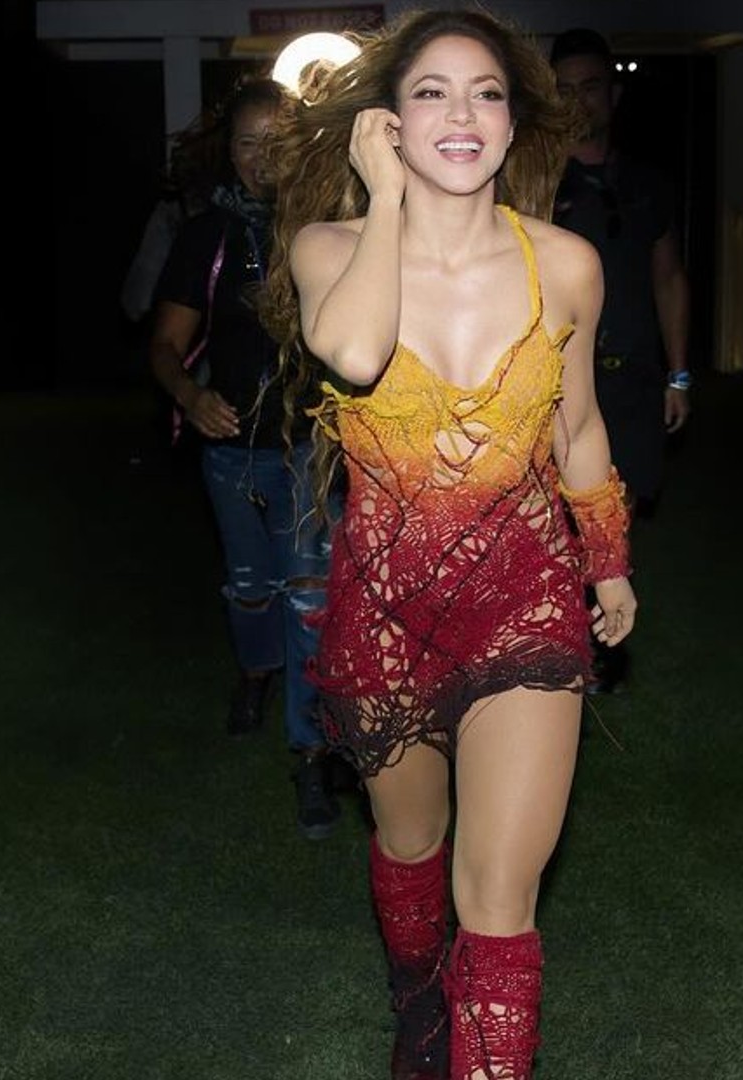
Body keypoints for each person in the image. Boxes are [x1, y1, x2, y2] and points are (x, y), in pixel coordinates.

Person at [259, 9, 637, 1077]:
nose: (462, 113)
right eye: (431, 92)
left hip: (526, 599)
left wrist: (608, 557)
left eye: (486, 93)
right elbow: (352, 350)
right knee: (411, 844)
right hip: (386, 610)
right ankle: (418, 997)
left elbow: (577, 426)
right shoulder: (331, 247)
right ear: (385, 122)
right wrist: (384, 200)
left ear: (513, 126)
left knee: (500, 900)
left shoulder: (566, 265)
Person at [148, 74, 342, 841]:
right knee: (251, 589)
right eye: (247, 143)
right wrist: (189, 396)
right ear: (229, 153)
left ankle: (312, 752)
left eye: (276, 142)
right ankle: (256, 671)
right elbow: (164, 345)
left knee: (309, 599)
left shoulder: (329, 228)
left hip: (309, 448)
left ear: (300, 146)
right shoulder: (208, 236)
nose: (262, 157)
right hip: (231, 451)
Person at [550, 26, 692, 694]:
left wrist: (679, 373)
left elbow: (669, 278)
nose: (578, 101)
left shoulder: (648, 183)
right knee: (556, 521)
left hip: (632, 380)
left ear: (613, 93)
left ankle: (599, 637)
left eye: (590, 87)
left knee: (615, 515)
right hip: (559, 384)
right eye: (564, 89)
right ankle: (556, 641)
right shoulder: (535, 183)